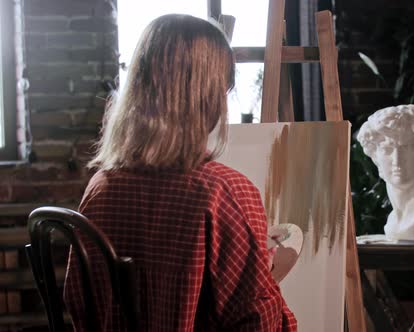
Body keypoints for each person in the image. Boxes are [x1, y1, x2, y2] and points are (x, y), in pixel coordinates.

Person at [63, 14, 297, 331]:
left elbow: (80, 304)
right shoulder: (223, 191)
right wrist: (262, 269)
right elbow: (259, 323)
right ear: (209, 96)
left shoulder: (101, 187)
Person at [356, 104, 414, 242]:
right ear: (375, 157)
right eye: (387, 149)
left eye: (408, 147)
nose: (397, 159)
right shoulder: (393, 220)